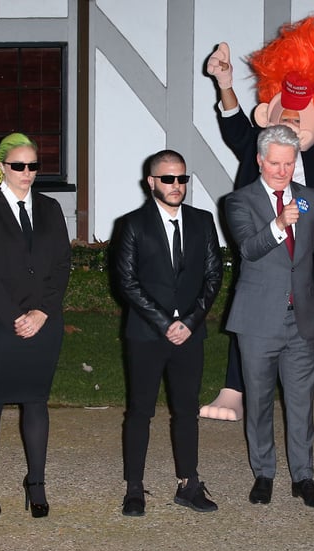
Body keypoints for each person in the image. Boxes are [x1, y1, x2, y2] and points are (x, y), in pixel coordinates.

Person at [203, 20, 314, 421]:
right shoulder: (257, 149)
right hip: (265, 249)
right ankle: (234, 387)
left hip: (312, 254)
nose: (293, 126)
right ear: (268, 116)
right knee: (249, 313)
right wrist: (224, 82)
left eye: (302, 121)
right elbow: (233, 128)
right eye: (288, 117)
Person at [224, 125, 314, 508]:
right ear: (261, 160)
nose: (282, 171)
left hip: (304, 320)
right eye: (275, 163)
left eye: (288, 163)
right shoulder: (238, 200)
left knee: (301, 404)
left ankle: (303, 477)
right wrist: (279, 224)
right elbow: (248, 249)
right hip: (258, 322)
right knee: (259, 402)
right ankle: (264, 474)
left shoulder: (309, 199)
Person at [0, 133, 71, 521]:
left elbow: (62, 264)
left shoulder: (50, 207)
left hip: (44, 323)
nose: (27, 173)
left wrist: (42, 312)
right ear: (2, 168)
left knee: (36, 401)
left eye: (33, 166)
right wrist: (16, 315)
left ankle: (37, 482)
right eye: (19, 166)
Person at [113, 150, 223, 516]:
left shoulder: (203, 221)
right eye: (168, 179)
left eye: (182, 179)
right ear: (152, 182)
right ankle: (134, 488)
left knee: (187, 411)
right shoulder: (132, 224)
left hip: (190, 335)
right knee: (140, 411)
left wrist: (190, 322)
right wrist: (164, 323)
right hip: (146, 334)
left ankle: (188, 484)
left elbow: (213, 276)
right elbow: (126, 282)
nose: (177, 186)